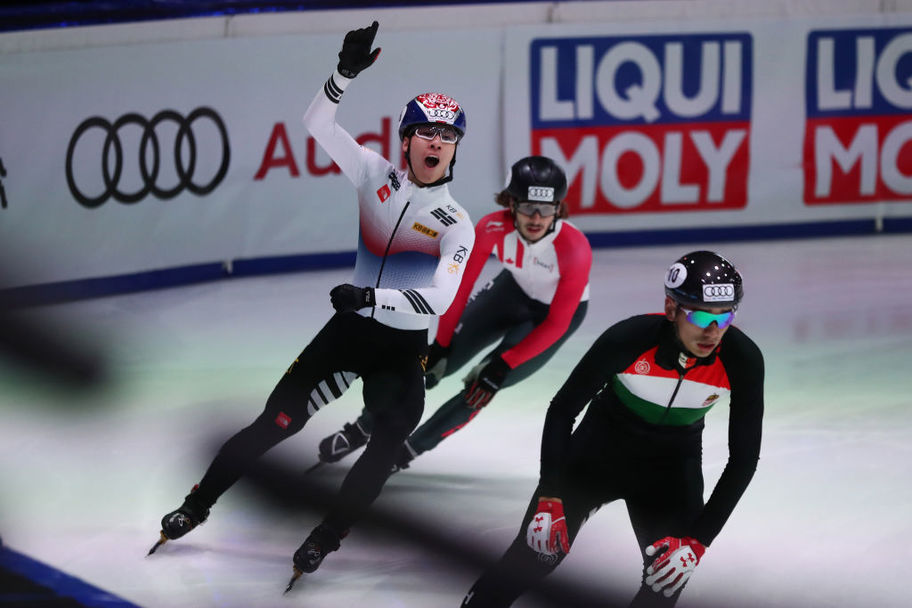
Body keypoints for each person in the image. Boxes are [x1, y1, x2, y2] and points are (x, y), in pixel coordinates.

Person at [149, 20, 476, 581]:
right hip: (348, 333)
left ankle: (327, 534)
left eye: (447, 137)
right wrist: (342, 74)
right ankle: (196, 505)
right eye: (426, 132)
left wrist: (370, 293)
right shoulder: (373, 173)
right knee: (273, 424)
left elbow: (442, 301)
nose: (436, 143)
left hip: (400, 350)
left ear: (454, 148)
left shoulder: (455, 223)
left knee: (390, 436)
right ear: (406, 139)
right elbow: (316, 124)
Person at [461, 251, 764, 608]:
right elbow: (562, 410)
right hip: (598, 454)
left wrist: (699, 540)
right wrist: (550, 495)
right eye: (699, 315)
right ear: (670, 309)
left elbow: (743, 460)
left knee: (664, 583)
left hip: (670, 470)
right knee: (534, 555)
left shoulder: (742, 359)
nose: (713, 331)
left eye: (725, 316)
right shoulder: (629, 339)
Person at [316, 155, 592, 472]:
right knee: (427, 366)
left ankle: (402, 453)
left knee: (481, 388)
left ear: (559, 208)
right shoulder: (491, 226)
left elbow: (558, 323)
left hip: (552, 317)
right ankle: (363, 427)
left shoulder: (575, 248)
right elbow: (458, 290)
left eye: (547, 209)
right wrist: (442, 343)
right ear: (510, 203)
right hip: (510, 291)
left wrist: (503, 365)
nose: (537, 218)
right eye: (528, 207)